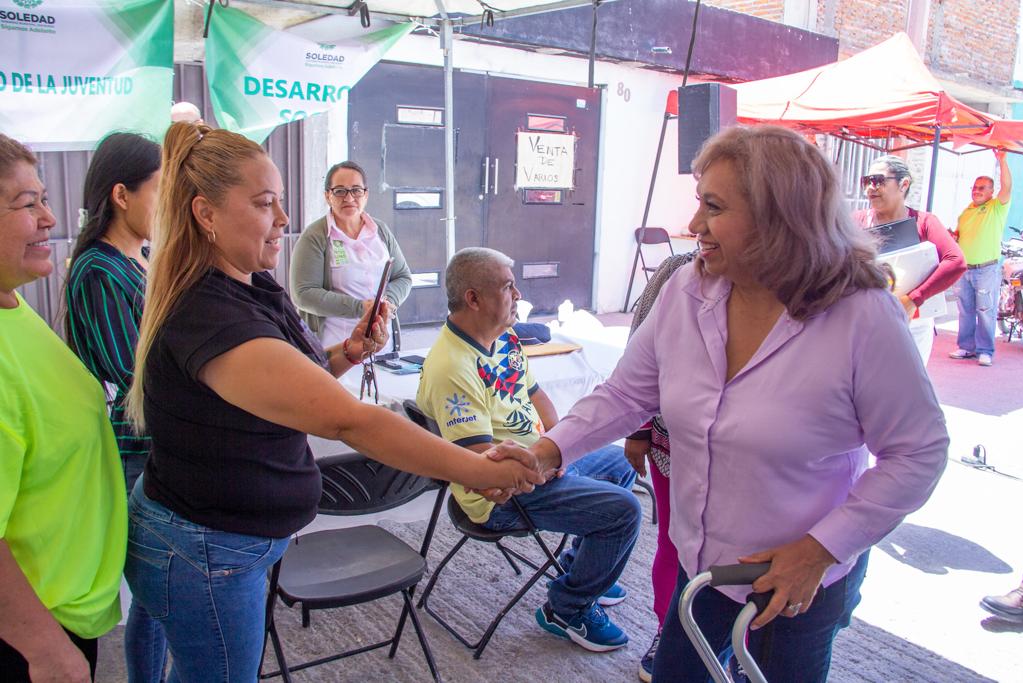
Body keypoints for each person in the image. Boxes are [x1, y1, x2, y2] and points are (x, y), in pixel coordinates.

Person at [521, 126, 949, 681]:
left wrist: (820, 549)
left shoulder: (861, 316)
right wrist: (548, 450)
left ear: (780, 219)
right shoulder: (685, 291)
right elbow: (628, 393)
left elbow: (919, 453)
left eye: (714, 207)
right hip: (703, 568)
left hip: (797, 581)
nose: (694, 225)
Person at [123, 122, 546, 682]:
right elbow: (349, 419)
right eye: (265, 204)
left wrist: (348, 352)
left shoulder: (249, 284)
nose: (283, 220)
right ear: (206, 214)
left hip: (224, 538)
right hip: (208, 549)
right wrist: (475, 467)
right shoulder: (211, 314)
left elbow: (296, 385)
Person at [416, 247, 642, 653]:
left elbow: (537, 398)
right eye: (507, 286)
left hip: (536, 464)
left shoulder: (504, 338)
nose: (518, 294)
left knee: (618, 461)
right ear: (473, 298)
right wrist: (545, 468)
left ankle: (581, 571)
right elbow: (480, 462)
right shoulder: (452, 366)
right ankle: (567, 608)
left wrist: (562, 449)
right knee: (625, 511)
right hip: (502, 494)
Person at [0, 133, 127, 682]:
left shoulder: (14, 307)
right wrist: (43, 647)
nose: (49, 218)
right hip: (30, 632)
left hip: (67, 606)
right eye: (28, 204)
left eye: (45, 200)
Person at [63, 132, 167, 683]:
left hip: (158, 446)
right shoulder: (99, 271)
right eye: (159, 191)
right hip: (134, 452)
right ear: (122, 194)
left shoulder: (142, 257)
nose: (167, 205)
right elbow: (134, 375)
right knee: (151, 596)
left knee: (158, 598)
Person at [622, 251, 694, 682]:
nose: (697, 221)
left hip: (755, 463)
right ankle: (669, 632)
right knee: (675, 542)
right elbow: (638, 358)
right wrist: (638, 427)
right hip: (673, 445)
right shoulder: (676, 271)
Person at [853, 154, 966, 363]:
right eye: (866, 181)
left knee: (906, 389)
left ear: (903, 184)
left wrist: (914, 299)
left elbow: (956, 261)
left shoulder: (924, 222)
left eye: (877, 180)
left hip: (913, 325)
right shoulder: (856, 221)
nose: (870, 187)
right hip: (866, 322)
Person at [290, 161, 412, 348]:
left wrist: (386, 303)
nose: (349, 198)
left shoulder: (381, 231)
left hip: (382, 347)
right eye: (340, 191)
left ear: (366, 194)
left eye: (356, 190)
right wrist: (361, 308)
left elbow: (402, 276)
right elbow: (303, 294)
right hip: (334, 348)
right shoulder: (315, 237)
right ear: (327, 196)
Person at [950, 149, 1012, 366]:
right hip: (965, 269)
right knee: (965, 309)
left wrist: (1002, 160)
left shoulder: (996, 207)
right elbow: (960, 236)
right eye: (974, 188)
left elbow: (1007, 187)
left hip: (986, 268)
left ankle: (985, 350)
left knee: (985, 310)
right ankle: (966, 347)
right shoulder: (967, 211)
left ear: (991, 191)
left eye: (982, 188)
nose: (976, 191)